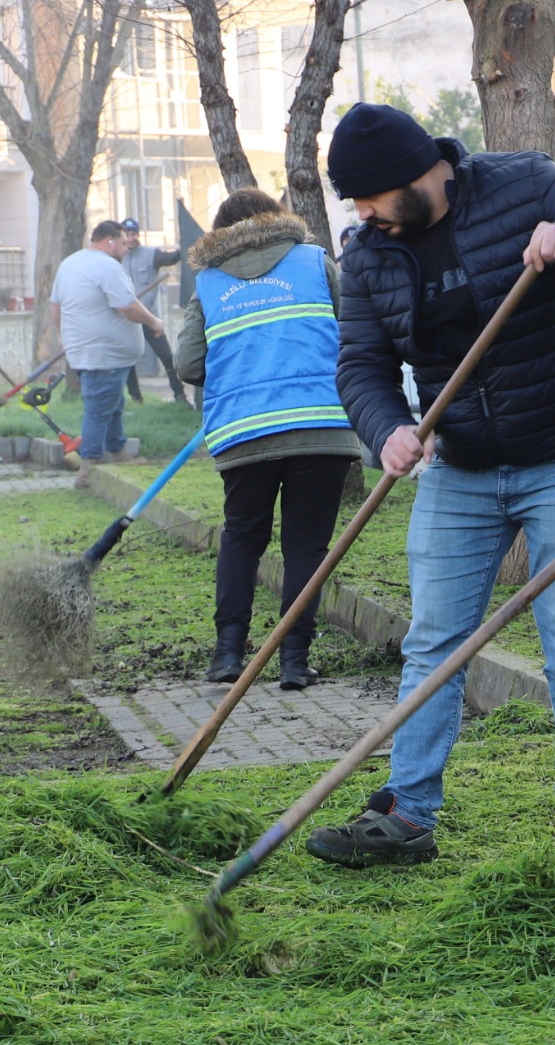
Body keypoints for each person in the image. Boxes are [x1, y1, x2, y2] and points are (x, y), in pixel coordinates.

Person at [306, 100, 555, 864]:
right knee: (433, 644)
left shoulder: (524, 187)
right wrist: (385, 426)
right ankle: (407, 813)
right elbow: (361, 365)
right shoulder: (368, 256)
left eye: (370, 199)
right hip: (458, 466)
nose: (364, 216)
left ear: (417, 175)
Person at [175, 188, 362, 690]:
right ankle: (294, 661)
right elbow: (353, 329)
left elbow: (188, 364)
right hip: (320, 424)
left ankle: (227, 655)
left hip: (243, 431)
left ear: (221, 233)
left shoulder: (208, 284)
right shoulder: (315, 262)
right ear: (278, 220)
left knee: (242, 536)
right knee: (306, 545)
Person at [53, 219, 166, 465]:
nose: (127, 249)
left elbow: (56, 307)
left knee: (112, 404)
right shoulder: (107, 266)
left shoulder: (69, 263)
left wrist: (64, 333)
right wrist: (153, 322)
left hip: (85, 353)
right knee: (98, 411)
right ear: (110, 241)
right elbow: (127, 306)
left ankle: (117, 452)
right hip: (105, 355)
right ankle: (89, 466)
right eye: (124, 244)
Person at [120, 220, 190, 409]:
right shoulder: (117, 257)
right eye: (127, 234)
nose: (131, 238)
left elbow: (173, 258)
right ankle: (136, 399)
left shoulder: (152, 255)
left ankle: (180, 394)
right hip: (126, 319)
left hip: (148, 317)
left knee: (167, 357)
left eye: (133, 234)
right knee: (128, 361)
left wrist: (185, 243)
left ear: (138, 235)